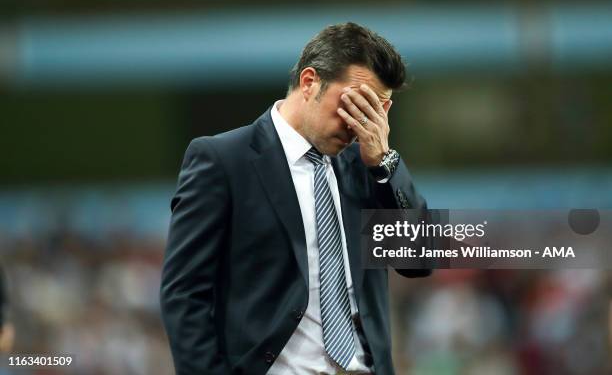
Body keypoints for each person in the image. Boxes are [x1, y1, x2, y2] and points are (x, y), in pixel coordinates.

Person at [160, 22, 431, 375]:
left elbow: (421, 259)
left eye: (375, 109)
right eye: (353, 102)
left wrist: (385, 161)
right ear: (309, 82)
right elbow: (184, 294)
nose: (359, 122)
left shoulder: (369, 166)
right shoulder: (224, 160)